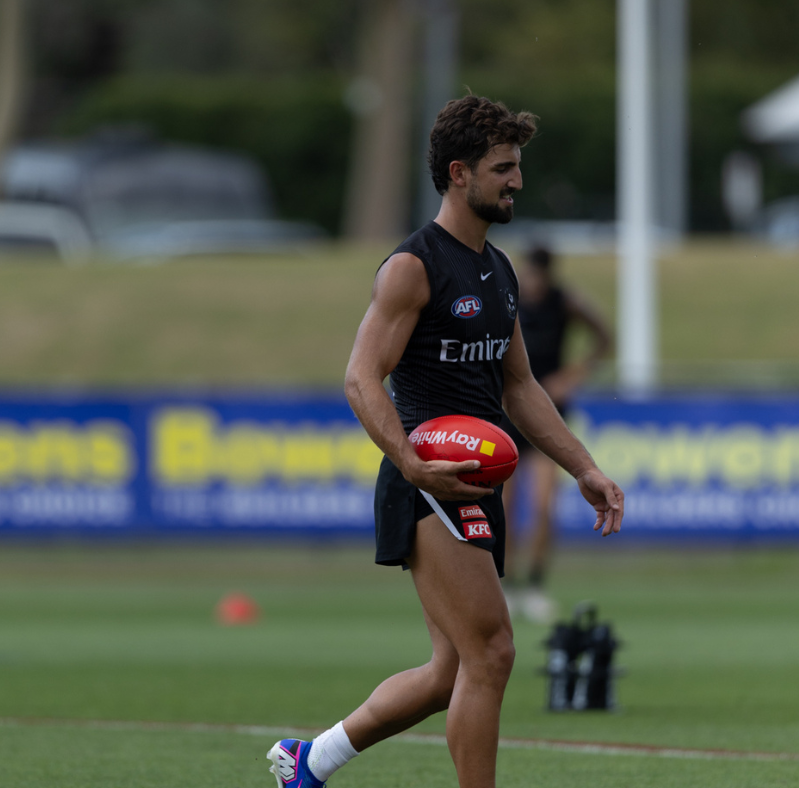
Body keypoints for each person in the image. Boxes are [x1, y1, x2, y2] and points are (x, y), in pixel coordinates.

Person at [266, 95, 623, 788]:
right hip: (427, 481)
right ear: (459, 173)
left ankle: (311, 760)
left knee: (452, 670)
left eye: (517, 166)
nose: (516, 181)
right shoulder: (413, 268)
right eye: (503, 168)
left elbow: (519, 387)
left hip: (475, 488)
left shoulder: (499, 269)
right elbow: (361, 379)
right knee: (492, 651)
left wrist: (583, 467)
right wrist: (412, 464)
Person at [501, 245, 613, 624]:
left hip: (549, 413)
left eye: (536, 276)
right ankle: (505, 585)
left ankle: (534, 586)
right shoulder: (507, 300)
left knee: (543, 506)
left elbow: (604, 337)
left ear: (547, 276)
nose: (531, 283)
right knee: (504, 505)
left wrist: (572, 377)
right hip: (507, 413)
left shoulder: (566, 302)